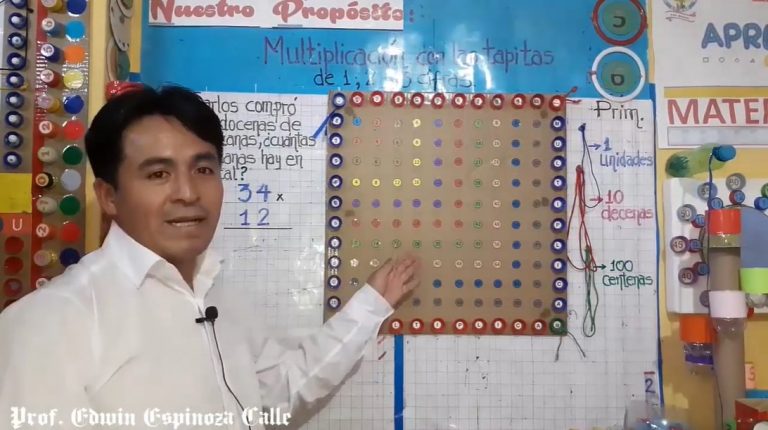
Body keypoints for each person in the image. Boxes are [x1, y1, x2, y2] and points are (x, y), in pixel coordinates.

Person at [0, 85, 421, 430]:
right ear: (109, 196)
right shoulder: (50, 323)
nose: (188, 193)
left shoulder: (221, 298)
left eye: (203, 169)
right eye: (158, 174)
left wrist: (370, 306)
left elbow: (274, 402)